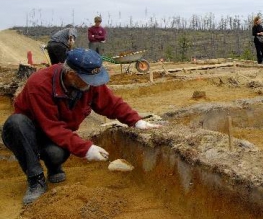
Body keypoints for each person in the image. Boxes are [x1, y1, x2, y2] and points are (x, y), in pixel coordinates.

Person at [1, 48, 161, 205]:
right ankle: (36, 180)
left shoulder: (86, 83)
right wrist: (86, 149)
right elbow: (52, 127)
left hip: (56, 134)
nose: (93, 84)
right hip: (29, 132)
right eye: (90, 80)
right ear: (71, 75)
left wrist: (136, 121)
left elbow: (112, 103)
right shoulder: (40, 85)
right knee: (16, 123)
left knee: (56, 154)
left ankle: (54, 167)